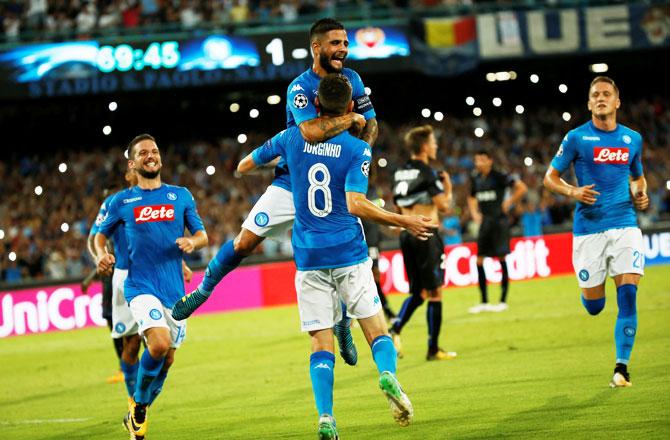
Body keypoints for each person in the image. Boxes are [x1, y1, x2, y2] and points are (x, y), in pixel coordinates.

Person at [172, 18, 377, 367]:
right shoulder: (300, 87)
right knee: (245, 241)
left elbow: (372, 122)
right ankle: (203, 291)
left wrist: (365, 151)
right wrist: (350, 122)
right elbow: (310, 132)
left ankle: (343, 323)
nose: (343, 48)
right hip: (291, 182)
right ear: (317, 47)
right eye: (335, 43)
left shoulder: (353, 80)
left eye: (345, 42)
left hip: (336, 185)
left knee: (344, 253)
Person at [238, 73, 433, 438]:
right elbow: (356, 204)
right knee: (375, 329)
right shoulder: (358, 149)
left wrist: (259, 170)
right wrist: (403, 221)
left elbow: (246, 165)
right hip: (348, 251)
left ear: (315, 107)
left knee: (319, 341)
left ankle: (326, 417)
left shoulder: (292, 137)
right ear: (348, 108)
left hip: (309, 257)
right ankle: (388, 375)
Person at [95, 134, 208, 439]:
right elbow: (99, 236)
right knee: (156, 345)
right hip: (139, 285)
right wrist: (101, 255)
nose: (151, 155)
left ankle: (137, 410)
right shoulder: (121, 201)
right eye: (143, 152)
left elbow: (202, 235)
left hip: (174, 291)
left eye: (155, 151)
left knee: (167, 358)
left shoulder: (180, 196)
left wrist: (192, 241)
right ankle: (139, 406)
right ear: (132, 163)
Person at [543, 76, 648, 387]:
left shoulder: (633, 139)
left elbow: (638, 178)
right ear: (589, 104)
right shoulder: (576, 138)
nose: (601, 98)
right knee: (594, 306)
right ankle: (590, 295)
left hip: (626, 224)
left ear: (617, 102)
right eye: (595, 95)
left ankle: (621, 367)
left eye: (607, 94)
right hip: (589, 229)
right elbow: (550, 178)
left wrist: (640, 193)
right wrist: (573, 193)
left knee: (628, 295)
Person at [389, 125, 457, 361]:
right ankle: (433, 349)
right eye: (433, 142)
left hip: (407, 234)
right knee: (435, 292)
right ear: (425, 146)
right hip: (426, 233)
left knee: (418, 293)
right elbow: (444, 206)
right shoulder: (428, 172)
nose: (436, 145)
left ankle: (395, 329)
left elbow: (398, 208)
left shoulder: (398, 173)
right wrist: (448, 188)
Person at [87, 170, 142, 396]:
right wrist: (99, 259)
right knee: (117, 323)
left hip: (147, 271)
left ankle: (139, 374)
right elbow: (95, 238)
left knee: (154, 335)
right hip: (116, 271)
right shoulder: (111, 205)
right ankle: (128, 371)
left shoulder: (145, 200)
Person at [467, 149, 528, 314]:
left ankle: (502, 300)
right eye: (476, 160)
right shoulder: (475, 178)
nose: (478, 163)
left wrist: (509, 202)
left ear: (489, 161)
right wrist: (474, 213)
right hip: (485, 222)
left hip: (499, 222)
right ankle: (484, 301)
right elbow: (471, 197)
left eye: (481, 160)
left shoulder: (499, 176)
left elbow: (522, 188)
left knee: (501, 257)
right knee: (479, 260)